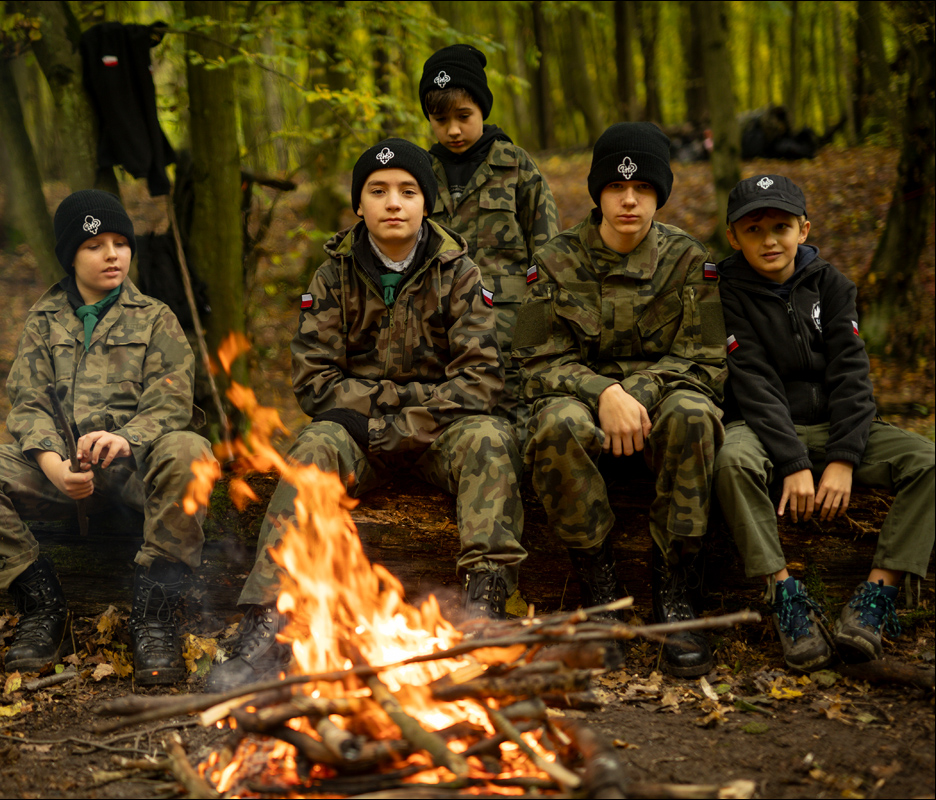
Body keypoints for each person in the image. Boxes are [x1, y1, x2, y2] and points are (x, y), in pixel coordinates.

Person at [207, 138, 527, 692]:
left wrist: (393, 421)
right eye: (377, 192)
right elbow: (315, 382)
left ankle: (485, 608)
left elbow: (479, 381)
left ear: (426, 203)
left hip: (442, 436)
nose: (393, 203)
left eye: (407, 191)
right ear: (359, 205)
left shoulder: (460, 273)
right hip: (362, 441)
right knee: (313, 446)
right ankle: (268, 621)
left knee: (488, 438)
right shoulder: (332, 276)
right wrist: (384, 420)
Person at [0, 190, 217, 682]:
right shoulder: (42, 322)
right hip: (61, 474)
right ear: (70, 255)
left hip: (134, 470)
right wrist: (51, 463)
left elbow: (171, 400)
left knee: (191, 452)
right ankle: (43, 606)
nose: (112, 254)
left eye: (120, 242)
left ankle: (153, 616)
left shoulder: (156, 319)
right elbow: (28, 403)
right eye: (95, 245)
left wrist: (126, 437)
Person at [513, 122, 727, 677]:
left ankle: (674, 592)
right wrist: (602, 391)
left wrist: (637, 393)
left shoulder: (687, 259)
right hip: (581, 401)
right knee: (557, 423)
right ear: (597, 192)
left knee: (695, 413)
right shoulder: (555, 262)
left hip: (660, 400)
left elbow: (704, 360)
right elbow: (536, 362)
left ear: (660, 192)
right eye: (614, 187)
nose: (628, 200)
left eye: (643, 189)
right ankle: (599, 594)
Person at [713, 174, 934, 671]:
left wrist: (843, 458)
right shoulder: (725, 292)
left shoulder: (833, 286)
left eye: (781, 226)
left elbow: (852, 375)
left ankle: (876, 598)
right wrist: (793, 462)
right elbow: (751, 381)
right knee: (730, 460)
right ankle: (784, 594)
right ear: (733, 237)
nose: (769, 239)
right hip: (765, 429)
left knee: (927, 462)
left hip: (838, 426)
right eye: (754, 230)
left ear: (804, 229)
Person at [420, 44, 560, 424]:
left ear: (482, 108)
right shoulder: (420, 174)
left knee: (519, 421)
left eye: (464, 115)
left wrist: (539, 328)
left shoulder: (515, 166)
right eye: (440, 118)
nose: (452, 129)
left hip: (511, 332)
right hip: (442, 331)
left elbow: (549, 256)